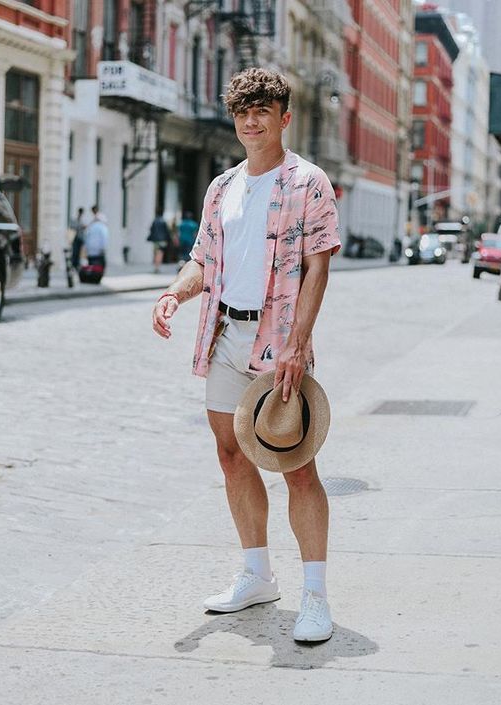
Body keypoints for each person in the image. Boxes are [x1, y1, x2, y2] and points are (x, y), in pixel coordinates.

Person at [152, 68, 340, 642]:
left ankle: (315, 596)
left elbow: (318, 265)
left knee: (297, 465)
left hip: (278, 342)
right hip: (224, 336)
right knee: (231, 456)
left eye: (263, 111)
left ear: (284, 118)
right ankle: (257, 574)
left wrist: (297, 342)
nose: (251, 121)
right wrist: (174, 293)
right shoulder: (221, 188)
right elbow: (203, 260)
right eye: (242, 112)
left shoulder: (309, 182)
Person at [147, 209, 171, 273]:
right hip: (162, 240)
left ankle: (156, 266)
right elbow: (167, 231)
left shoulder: (154, 221)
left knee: (156, 252)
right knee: (160, 253)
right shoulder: (163, 221)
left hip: (155, 240)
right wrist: (168, 239)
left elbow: (151, 229)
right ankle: (157, 267)